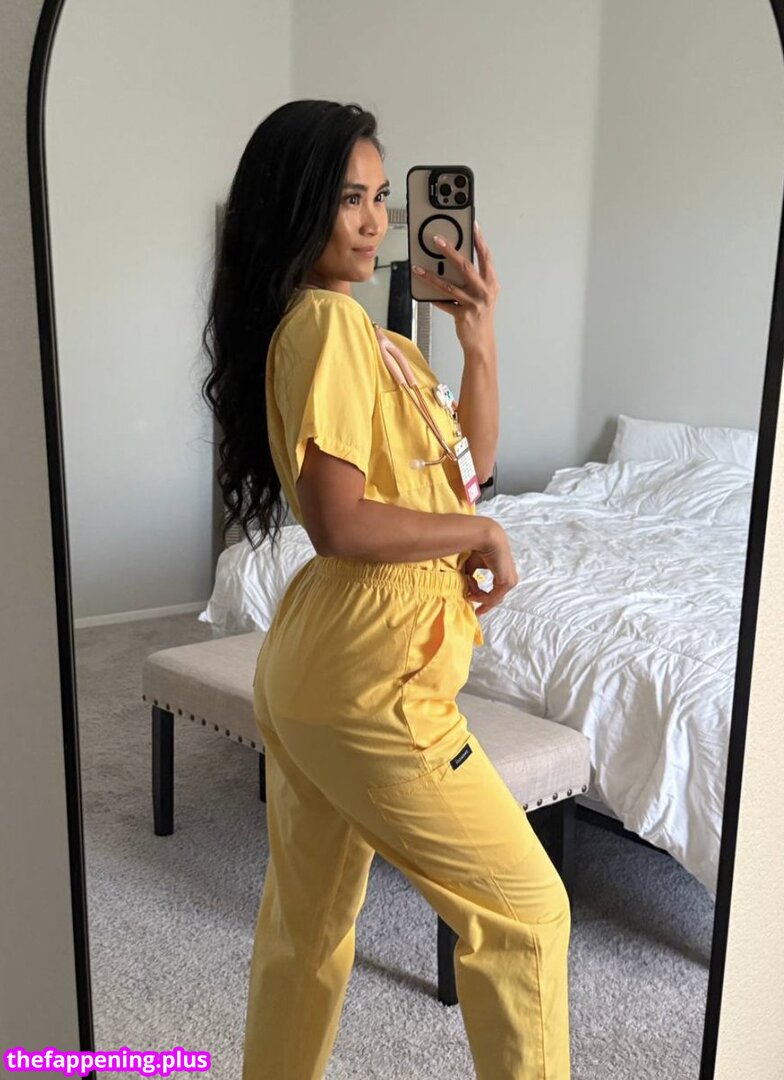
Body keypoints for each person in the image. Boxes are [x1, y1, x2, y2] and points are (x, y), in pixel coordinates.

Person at [201, 99, 571, 1080]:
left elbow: (465, 473)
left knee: (309, 927)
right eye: (348, 200)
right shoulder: (327, 324)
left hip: (320, 665)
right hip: (371, 679)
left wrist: (478, 339)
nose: (374, 223)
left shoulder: (385, 344)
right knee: (527, 914)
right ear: (296, 209)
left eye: (379, 200)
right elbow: (341, 521)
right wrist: (479, 533)